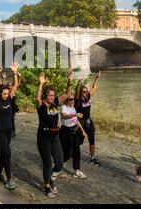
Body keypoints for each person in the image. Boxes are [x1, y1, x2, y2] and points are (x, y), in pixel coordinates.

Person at [36, 70, 72, 198]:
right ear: (46, 96)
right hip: (43, 138)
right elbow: (37, 98)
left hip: (54, 137)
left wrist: (69, 80)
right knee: (47, 163)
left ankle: (51, 178)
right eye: (50, 95)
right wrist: (41, 84)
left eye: (53, 95)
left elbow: (68, 94)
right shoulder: (41, 106)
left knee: (59, 162)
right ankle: (47, 187)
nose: (52, 97)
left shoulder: (56, 102)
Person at [0, 63, 19, 190]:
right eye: (5, 93)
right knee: (7, 152)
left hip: (8, 131)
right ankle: (9, 179)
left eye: (8, 93)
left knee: (4, 152)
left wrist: (15, 73)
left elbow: (16, 85)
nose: (7, 95)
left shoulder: (10, 100)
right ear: (1, 94)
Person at [75, 71, 101, 166]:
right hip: (79, 122)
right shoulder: (77, 100)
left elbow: (94, 88)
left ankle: (92, 158)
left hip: (88, 121)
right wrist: (78, 83)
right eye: (84, 91)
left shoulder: (87, 97)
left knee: (92, 139)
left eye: (86, 91)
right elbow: (77, 92)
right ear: (81, 92)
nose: (86, 93)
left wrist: (96, 78)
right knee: (79, 140)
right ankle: (73, 153)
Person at [60, 95, 88, 179]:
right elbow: (64, 116)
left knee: (77, 151)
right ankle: (58, 165)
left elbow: (76, 120)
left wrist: (83, 131)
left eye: (73, 99)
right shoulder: (63, 107)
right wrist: (75, 114)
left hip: (74, 130)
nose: (72, 101)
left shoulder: (73, 108)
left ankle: (77, 171)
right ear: (66, 100)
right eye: (70, 99)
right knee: (68, 152)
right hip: (65, 131)